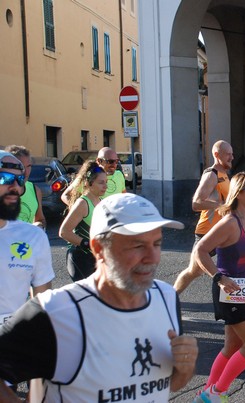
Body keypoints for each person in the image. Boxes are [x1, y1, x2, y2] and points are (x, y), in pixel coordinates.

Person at [0, 193, 199, 402]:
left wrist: (184, 371)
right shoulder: (55, 312)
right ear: (98, 248)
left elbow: (158, 386)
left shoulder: (166, 298)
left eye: (157, 244)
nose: (152, 257)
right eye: (137, 245)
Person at [191, 171, 245, 402]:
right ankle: (217, 392)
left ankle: (206, 392)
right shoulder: (229, 223)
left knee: (232, 345)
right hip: (229, 291)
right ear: (238, 193)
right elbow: (200, 251)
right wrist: (219, 279)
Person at [0, 150, 54, 394]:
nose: (15, 187)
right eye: (5, 179)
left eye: (19, 180)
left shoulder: (33, 237)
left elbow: (42, 304)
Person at [174, 140, 233, 294]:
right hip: (207, 232)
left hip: (222, 231)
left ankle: (236, 307)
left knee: (233, 267)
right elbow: (196, 203)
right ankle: (170, 298)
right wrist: (221, 205)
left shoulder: (224, 175)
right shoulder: (211, 175)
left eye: (232, 154)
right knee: (194, 271)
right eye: (228, 154)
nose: (232, 157)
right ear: (216, 155)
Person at [58, 161, 107, 281]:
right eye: (101, 183)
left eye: (106, 182)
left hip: (94, 257)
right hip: (80, 258)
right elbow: (64, 232)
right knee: (86, 297)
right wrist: (87, 243)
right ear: (88, 184)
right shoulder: (82, 203)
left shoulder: (100, 201)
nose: (105, 186)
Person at [60, 147, 126, 204]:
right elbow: (65, 195)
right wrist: (79, 210)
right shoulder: (88, 176)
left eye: (116, 161)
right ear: (99, 161)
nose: (114, 165)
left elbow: (125, 197)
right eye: (110, 161)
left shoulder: (119, 175)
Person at [5, 145, 46, 230]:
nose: (26, 171)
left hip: (25, 243)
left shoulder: (35, 190)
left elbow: (40, 219)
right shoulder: (3, 190)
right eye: (21, 166)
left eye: (29, 166)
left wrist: (39, 226)